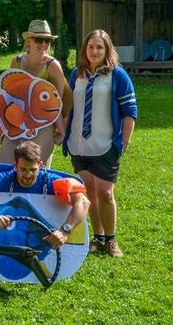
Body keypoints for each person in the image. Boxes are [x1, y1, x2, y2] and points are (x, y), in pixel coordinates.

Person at [63, 29, 137, 257]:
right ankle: (98, 237)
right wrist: (62, 134)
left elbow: (129, 111)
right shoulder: (77, 74)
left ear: (107, 50)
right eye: (90, 47)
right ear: (84, 49)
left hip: (105, 145)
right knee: (89, 193)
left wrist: (123, 142)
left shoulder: (117, 76)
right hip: (79, 144)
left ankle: (112, 240)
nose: (94, 51)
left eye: (99, 47)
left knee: (105, 193)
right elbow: (67, 108)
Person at [0, 141, 91, 250]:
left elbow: (83, 202)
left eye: (33, 170)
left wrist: (65, 230)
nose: (28, 175)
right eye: (23, 169)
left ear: (40, 165)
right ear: (15, 165)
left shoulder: (51, 181)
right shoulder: (3, 179)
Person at [0, 20, 72, 167]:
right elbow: (9, 97)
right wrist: (4, 126)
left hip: (44, 124)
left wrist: (62, 132)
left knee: (34, 172)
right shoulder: (16, 62)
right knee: (4, 168)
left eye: (48, 40)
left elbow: (57, 104)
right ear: (28, 41)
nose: (44, 44)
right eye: (39, 39)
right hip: (17, 123)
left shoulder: (52, 66)